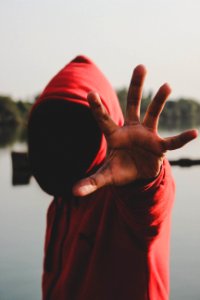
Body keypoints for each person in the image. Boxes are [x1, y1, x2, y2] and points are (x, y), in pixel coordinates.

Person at [28, 55, 198, 300]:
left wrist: (145, 182)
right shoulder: (61, 202)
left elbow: (151, 209)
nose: (61, 142)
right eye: (53, 129)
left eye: (73, 127)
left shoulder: (125, 196)